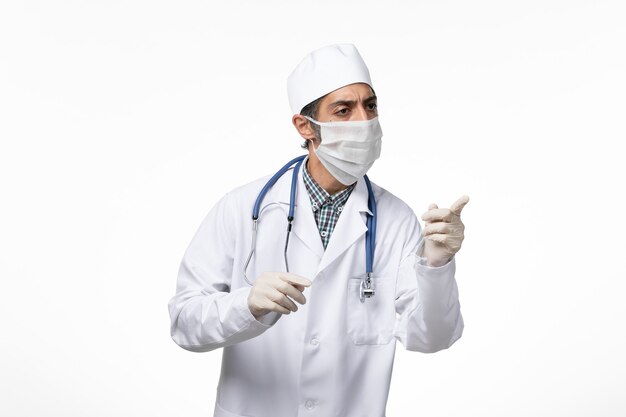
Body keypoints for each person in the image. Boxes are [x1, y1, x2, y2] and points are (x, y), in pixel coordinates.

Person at [168, 43, 469, 417]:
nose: (364, 120)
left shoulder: (396, 220)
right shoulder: (243, 208)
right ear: (305, 126)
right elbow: (184, 324)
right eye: (344, 110)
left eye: (370, 105)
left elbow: (431, 338)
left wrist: (437, 266)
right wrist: (245, 305)